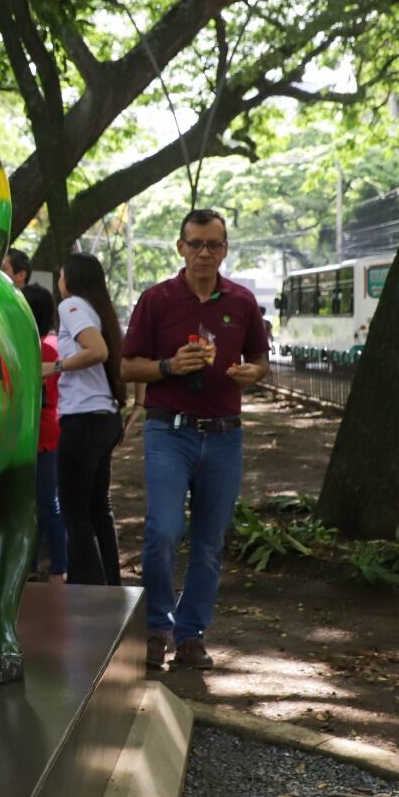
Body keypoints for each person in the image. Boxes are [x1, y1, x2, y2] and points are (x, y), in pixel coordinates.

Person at [121, 208, 269, 670]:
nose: (205, 253)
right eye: (196, 244)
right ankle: (155, 628)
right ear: (181, 247)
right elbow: (127, 366)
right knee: (163, 531)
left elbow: (261, 360)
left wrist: (252, 373)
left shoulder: (242, 302)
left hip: (224, 435)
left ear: (225, 249)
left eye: (214, 244)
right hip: (169, 431)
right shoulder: (157, 300)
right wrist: (168, 366)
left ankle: (191, 635)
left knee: (209, 543)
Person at [46, 254, 125, 586]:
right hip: (104, 418)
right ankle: (110, 586)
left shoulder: (71, 305)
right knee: (97, 510)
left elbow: (97, 350)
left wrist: (55, 367)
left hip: (82, 421)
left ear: (71, 279)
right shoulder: (98, 309)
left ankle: (86, 592)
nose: (59, 282)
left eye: (61, 275)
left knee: (75, 513)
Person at [21, 284, 67, 581]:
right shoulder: (50, 343)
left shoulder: (41, 347)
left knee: (48, 503)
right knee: (39, 503)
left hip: (43, 432)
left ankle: (59, 568)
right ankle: (32, 566)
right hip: (44, 429)